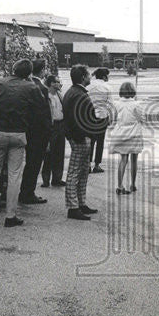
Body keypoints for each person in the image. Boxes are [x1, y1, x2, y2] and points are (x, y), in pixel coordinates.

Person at [0, 58, 47, 227]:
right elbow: (40, 110)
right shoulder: (31, 87)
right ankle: (10, 216)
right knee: (14, 175)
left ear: (13, 69)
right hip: (18, 133)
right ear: (29, 73)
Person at [62, 64, 106, 221]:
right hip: (80, 138)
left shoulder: (73, 92)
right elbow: (79, 120)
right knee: (75, 172)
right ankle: (73, 207)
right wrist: (86, 134)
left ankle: (80, 203)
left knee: (81, 172)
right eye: (88, 75)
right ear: (82, 77)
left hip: (79, 138)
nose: (90, 77)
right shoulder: (79, 94)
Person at [19, 58, 52, 205]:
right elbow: (44, 114)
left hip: (25, 128)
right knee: (34, 163)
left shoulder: (24, 84)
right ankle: (28, 192)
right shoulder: (41, 88)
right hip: (38, 132)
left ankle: (24, 191)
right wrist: (48, 134)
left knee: (27, 163)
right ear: (43, 70)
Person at [108, 81, 145, 194]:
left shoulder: (116, 104)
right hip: (134, 134)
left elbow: (112, 119)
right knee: (134, 160)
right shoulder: (136, 104)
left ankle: (120, 186)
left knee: (123, 159)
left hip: (120, 134)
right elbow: (142, 119)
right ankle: (132, 184)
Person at [41, 73, 66, 188]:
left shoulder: (60, 95)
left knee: (59, 152)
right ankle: (46, 179)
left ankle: (57, 178)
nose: (59, 83)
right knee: (49, 153)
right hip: (51, 126)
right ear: (51, 83)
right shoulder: (45, 96)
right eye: (57, 82)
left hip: (61, 125)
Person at [87, 67, 112, 173]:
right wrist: (110, 117)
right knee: (100, 142)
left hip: (89, 116)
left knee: (90, 141)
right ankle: (97, 165)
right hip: (102, 116)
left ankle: (87, 164)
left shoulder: (89, 86)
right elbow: (110, 103)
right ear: (104, 76)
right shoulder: (107, 87)